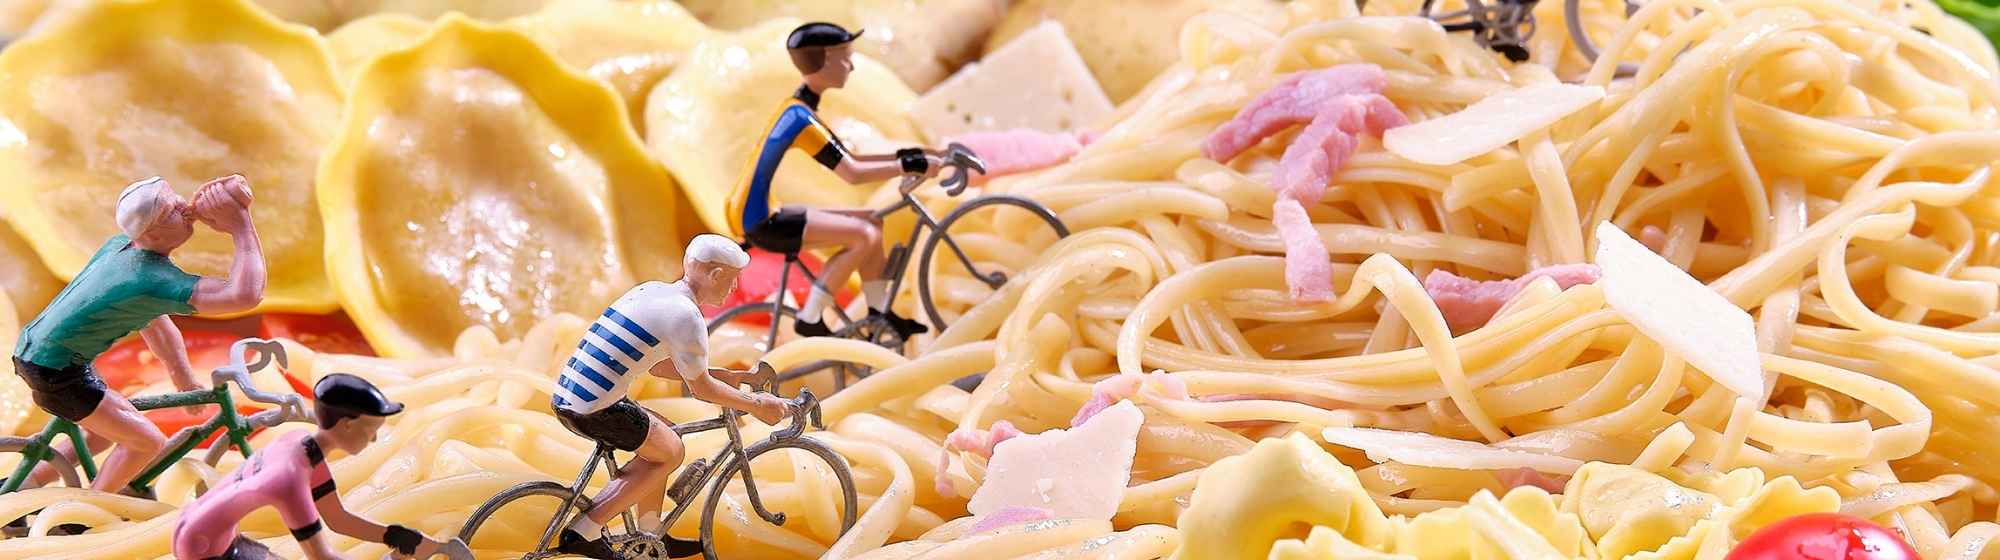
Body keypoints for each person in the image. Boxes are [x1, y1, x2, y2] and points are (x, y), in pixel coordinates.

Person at [9, 174, 265, 495]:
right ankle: (83, 517)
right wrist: (241, 227)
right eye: (171, 210)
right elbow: (243, 295)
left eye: (177, 198)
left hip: (38, 352)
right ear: (151, 232)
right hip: (56, 369)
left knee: (106, 430)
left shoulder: (119, 247)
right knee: (147, 442)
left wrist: (183, 378)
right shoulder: (151, 279)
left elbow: (155, 324)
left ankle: (26, 483)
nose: (185, 207)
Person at [552, 234, 795, 559]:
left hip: (571, 394)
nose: (735, 288)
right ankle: (585, 529)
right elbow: (701, 389)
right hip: (594, 406)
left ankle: (649, 537)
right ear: (715, 275)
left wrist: (728, 376)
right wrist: (756, 404)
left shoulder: (655, 290)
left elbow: (659, 367)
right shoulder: (686, 316)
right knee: (671, 452)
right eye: (733, 279)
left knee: (665, 430)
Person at [724, 21, 954, 340]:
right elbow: (853, 172)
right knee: (862, 235)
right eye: (844, 58)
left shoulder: (799, 109)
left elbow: (853, 161)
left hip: (759, 212)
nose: (851, 65)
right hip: (761, 220)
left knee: (873, 223)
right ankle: (811, 316)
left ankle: (879, 314)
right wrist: (910, 163)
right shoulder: (800, 119)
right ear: (823, 62)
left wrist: (911, 157)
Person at [173, 374, 449, 560]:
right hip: (204, 546)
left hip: (210, 532)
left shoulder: (301, 446)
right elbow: (321, 555)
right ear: (347, 425)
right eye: (371, 431)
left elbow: (338, 519)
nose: (374, 439)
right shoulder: (289, 479)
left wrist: (392, 535)